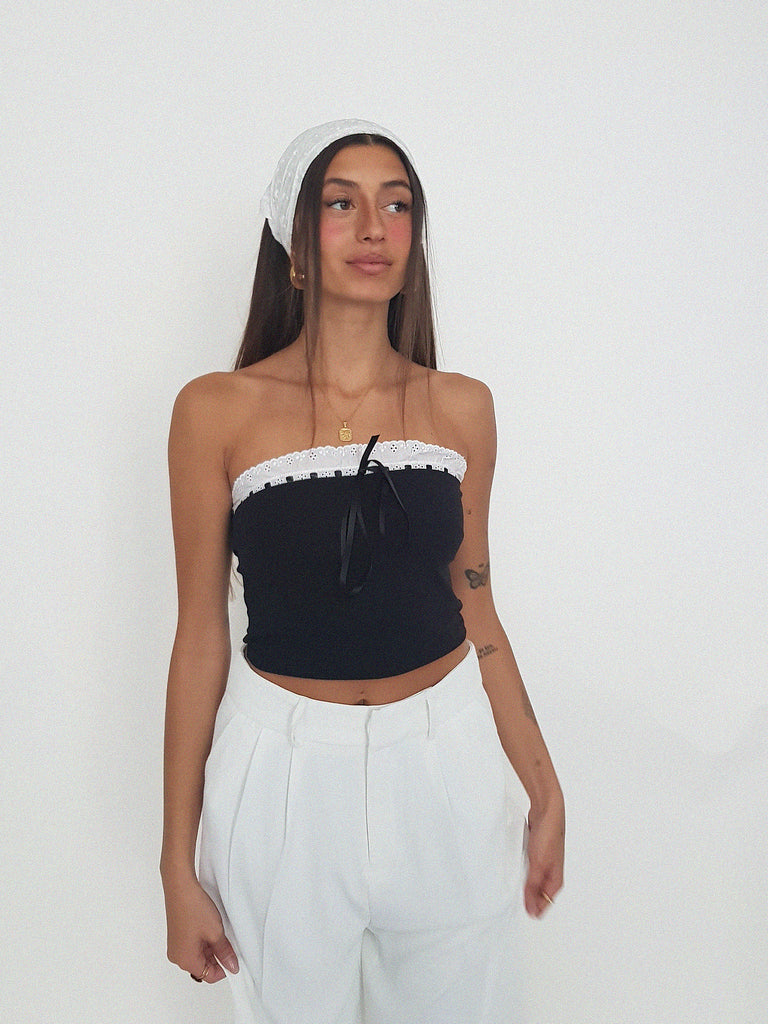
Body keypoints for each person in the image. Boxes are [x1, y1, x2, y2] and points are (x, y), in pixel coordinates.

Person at [160, 118, 565, 1023]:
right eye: (341, 204)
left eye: (397, 205)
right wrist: (175, 864)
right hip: (281, 778)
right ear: (295, 245)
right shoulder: (216, 411)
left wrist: (543, 787)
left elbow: (477, 608)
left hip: (447, 764)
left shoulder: (460, 408)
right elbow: (198, 640)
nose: (374, 228)